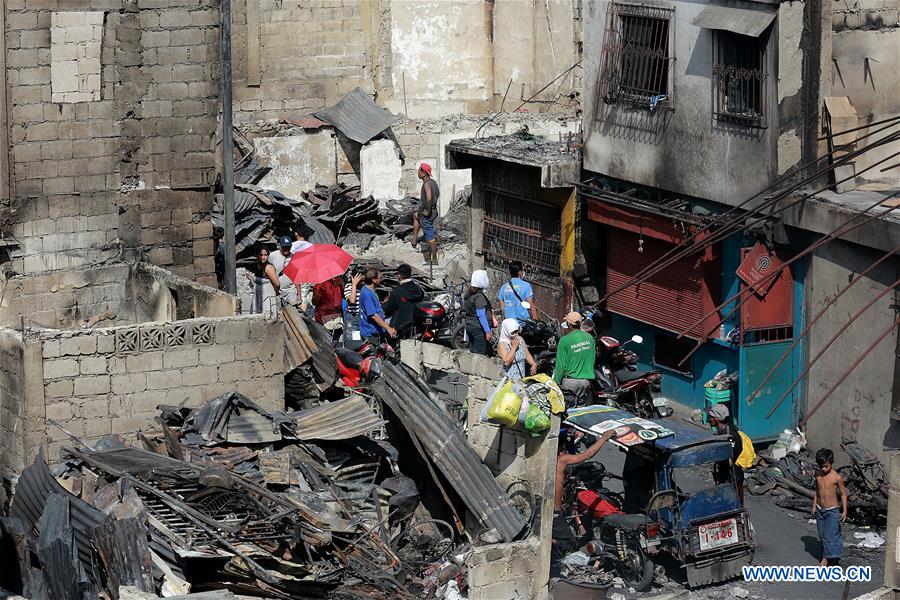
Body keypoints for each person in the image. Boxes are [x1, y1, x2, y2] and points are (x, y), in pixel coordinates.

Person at [552, 430, 616, 559]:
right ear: (559, 448)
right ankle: (549, 542)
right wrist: (604, 438)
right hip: (554, 513)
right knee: (570, 544)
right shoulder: (561, 460)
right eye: (563, 449)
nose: (565, 452)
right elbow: (587, 455)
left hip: (545, 509)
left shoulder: (547, 459)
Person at [707, 403, 755, 506]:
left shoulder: (730, 436)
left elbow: (729, 458)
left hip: (732, 478)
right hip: (726, 476)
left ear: (715, 419)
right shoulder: (723, 431)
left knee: (734, 506)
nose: (708, 420)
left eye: (710, 418)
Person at [812, 448, 848, 567]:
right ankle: (833, 555)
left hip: (832, 510)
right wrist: (814, 507)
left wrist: (844, 511)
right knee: (822, 534)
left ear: (831, 463)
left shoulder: (837, 477)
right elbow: (817, 491)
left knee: (830, 535)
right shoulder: (817, 474)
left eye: (826, 466)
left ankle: (826, 559)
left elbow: (843, 494)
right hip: (820, 509)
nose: (823, 469)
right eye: (821, 466)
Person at [552, 312, 597, 406]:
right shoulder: (590, 338)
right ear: (580, 323)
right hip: (585, 382)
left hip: (570, 383)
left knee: (566, 411)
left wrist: (555, 383)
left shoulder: (565, 340)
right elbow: (592, 360)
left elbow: (561, 365)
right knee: (580, 412)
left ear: (568, 324)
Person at [383, 263, 424, 339]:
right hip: (416, 324)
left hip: (399, 326)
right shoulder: (419, 289)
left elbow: (389, 308)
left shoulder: (396, 292)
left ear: (399, 275)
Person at [411, 163, 439, 263]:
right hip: (433, 211)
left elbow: (429, 197)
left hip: (429, 212)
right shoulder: (433, 183)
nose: (418, 172)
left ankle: (433, 260)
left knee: (429, 235)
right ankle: (414, 239)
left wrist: (427, 210)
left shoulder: (426, 184)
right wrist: (419, 210)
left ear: (423, 173)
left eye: (419, 170)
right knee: (415, 216)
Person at [358, 268, 396, 344]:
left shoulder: (370, 290)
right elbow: (373, 315)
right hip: (370, 333)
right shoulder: (367, 294)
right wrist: (388, 328)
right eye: (380, 277)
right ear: (374, 280)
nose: (381, 279)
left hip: (375, 330)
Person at [463, 270, 493, 355]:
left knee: (473, 352)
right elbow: (481, 315)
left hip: (470, 326)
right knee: (479, 356)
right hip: (478, 328)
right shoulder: (479, 297)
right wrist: (487, 331)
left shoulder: (470, 294)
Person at [267, 235, 298, 306]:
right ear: (280, 246)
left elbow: (296, 277)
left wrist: (299, 294)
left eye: (288, 247)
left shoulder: (293, 257)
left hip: (290, 291)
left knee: (292, 312)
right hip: (276, 291)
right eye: (284, 247)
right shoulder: (273, 256)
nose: (286, 249)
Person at [250, 245, 280, 314]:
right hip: (258, 295)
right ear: (257, 255)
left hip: (267, 295)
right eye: (261, 255)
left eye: (265, 255)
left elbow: (277, 284)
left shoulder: (268, 267)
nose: (263, 257)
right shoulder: (257, 265)